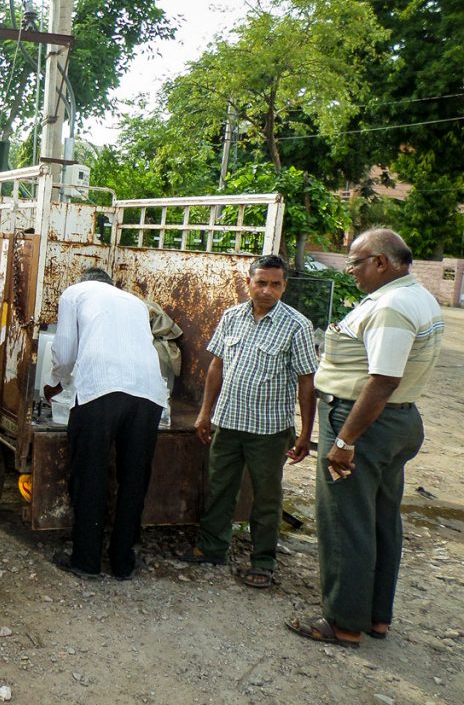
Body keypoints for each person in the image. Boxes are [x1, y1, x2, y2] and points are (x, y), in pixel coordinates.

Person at [287, 229, 444, 648]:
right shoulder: (416, 296)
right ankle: (376, 616)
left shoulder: (392, 306)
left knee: (345, 522)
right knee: (379, 519)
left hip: (364, 423)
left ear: (380, 262)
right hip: (396, 423)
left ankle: (342, 622)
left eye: (355, 261)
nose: (351, 269)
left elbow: (383, 379)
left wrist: (345, 440)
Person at [176, 254, 317, 588]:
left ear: (284, 286)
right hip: (227, 423)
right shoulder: (231, 317)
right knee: (220, 489)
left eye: (275, 284)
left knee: (266, 498)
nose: (267, 290)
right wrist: (205, 413)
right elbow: (217, 366)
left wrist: (306, 434)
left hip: (269, 432)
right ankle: (212, 547)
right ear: (248, 283)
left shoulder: (297, 325)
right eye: (261, 283)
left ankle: (263, 561)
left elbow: (306, 382)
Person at [43, 267, 168, 580]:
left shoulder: (74, 293)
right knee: (134, 478)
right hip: (150, 392)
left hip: (101, 388)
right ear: (112, 285)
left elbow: (65, 350)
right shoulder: (135, 302)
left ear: (84, 281)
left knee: (90, 474)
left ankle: (86, 560)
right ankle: (123, 561)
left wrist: (56, 381)